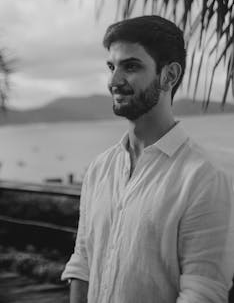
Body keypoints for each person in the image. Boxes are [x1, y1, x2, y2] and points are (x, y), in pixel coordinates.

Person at [61, 15, 234, 303]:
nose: (114, 81)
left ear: (169, 75)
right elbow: (82, 263)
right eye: (111, 67)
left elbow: (201, 294)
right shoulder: (99, 169)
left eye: (130, 66)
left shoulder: (204, 178)